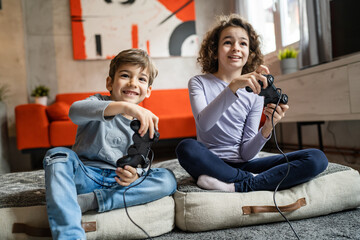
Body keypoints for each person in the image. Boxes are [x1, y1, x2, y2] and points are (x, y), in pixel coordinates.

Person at [175, 14, 328, 193]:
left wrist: (267, 128)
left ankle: (237, 185)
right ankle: (254, 182)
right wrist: (232, 87)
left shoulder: (255, 94)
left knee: (317, 158)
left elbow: (246, 154)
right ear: (214, 50)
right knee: (186, 148)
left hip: (243, 165)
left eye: (243, 43)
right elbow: (205, 124)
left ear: (250, 53)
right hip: (211, 163)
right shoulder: (198, 82)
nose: (236, 48)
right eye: (227, 42)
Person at [43, 49, 177, 239]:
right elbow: (74, 111)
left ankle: (91, 202)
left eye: (141, 79)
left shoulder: (144, 122)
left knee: (168, 178)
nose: (132, 83)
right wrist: (125, 106)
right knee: (56, 155)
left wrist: (135, 175)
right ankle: (70, 235)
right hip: (86, 176)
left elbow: (141, 161)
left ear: (148, 91)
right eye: (125, 75)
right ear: (109, 83)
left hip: (118, 183)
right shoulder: (97, 102)